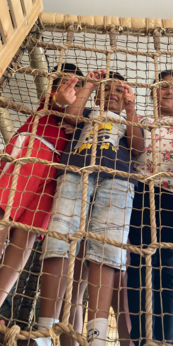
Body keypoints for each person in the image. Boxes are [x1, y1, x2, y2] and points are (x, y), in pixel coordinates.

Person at [35, 70, 144, 346]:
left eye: (119, 91)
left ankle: (96, 334)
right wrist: (92, 85)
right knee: (60, 236)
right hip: (77, 171)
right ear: (97, 95)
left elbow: (138, 146)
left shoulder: (130, 118)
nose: (113, 94)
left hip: (117, 179)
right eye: (106, 90)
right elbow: (70, 116)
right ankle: (44, 329)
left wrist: (131, 109)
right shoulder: (87, 114)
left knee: (106, 247)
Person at [0, 63, 83, 308]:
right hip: (33, 151)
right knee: (4, 217)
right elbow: (54, 101)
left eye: (77, 86)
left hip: (57, 173)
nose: (72, 89)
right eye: (67, 83)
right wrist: (60, 99)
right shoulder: (49, 102)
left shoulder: (81, 118)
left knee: (26, 237)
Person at [127, 70, 173, 346]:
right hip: (141, 191)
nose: (170, 92)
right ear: (154, 92)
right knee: (139, 262)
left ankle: (165, 338)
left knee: (165, 266)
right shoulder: (144, 120)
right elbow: (134, 147)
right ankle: (142, 337)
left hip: (172, 194)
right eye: (164, 87)